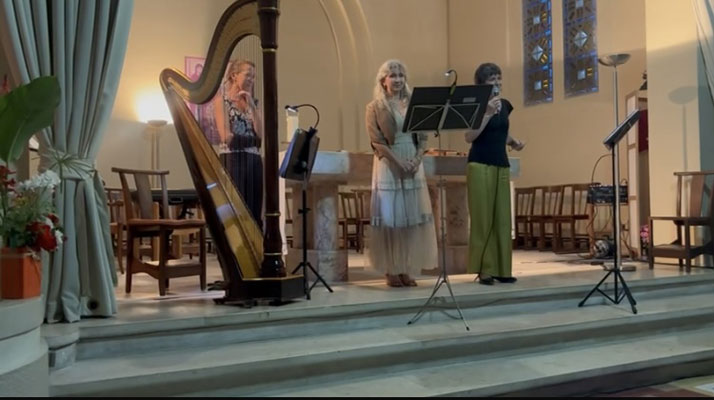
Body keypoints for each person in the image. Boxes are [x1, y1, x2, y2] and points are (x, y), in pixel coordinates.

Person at [365, 59, 438, 287]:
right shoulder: (374, 107)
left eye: (401, 75)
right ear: (383, 80)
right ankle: (391, 269)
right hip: (389, 162)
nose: (397, 79)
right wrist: (398, 161)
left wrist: (416, 159)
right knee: (392, 219)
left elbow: (424, 136)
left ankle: (407, 267)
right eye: (392, 75)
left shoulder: (413, 103)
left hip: (413, 162)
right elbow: (376, 142)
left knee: (411, 218)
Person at [465, 62, 526, 285]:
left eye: (499, 78)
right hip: (480, 164)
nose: (497, 82)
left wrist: (514, 142)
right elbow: (470, 136)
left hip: (501, 163)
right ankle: (484, 269)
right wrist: (488, 113)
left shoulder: (506, 105)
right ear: (481, 84)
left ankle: (502, 268)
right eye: (492, 79)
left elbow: (502, 131)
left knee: (502, 220)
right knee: (483, 220)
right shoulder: (475, 104)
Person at [214, 60, 264, 225]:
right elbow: (226, 137)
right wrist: (252, 141)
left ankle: (256, 248)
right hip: (233, 161)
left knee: (254, 210)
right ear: (234, 75)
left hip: (254, 161)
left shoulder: (253, 104)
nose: (251, 79)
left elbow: (261, 135)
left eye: (253, 76)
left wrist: (251, 105)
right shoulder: (222, 101)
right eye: (248, 74)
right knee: (235, 209)